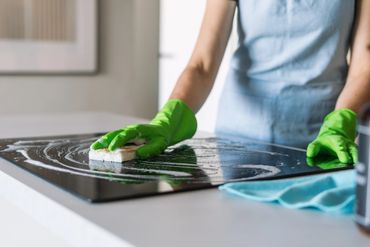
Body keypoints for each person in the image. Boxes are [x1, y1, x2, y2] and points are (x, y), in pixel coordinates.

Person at [92, 0, 370, 164]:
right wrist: (167, 118)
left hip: (321, 139)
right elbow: (202, 64)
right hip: (238, 139)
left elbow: (364, 65)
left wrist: (341, 121)